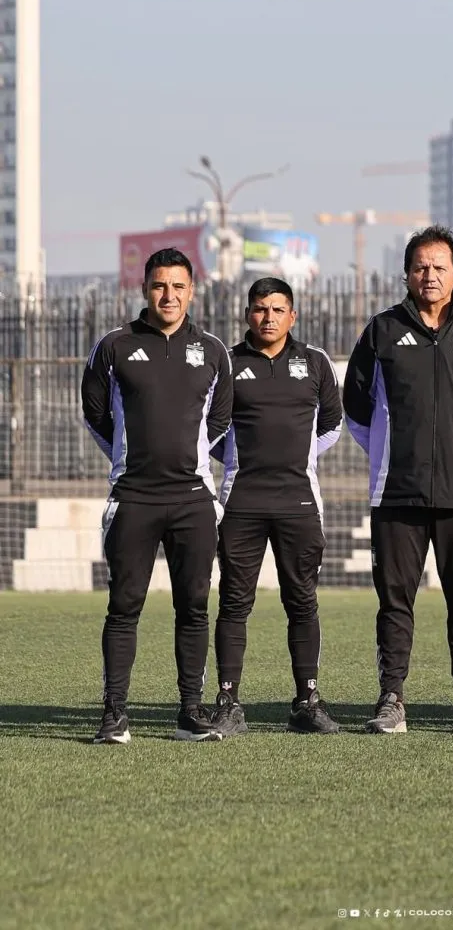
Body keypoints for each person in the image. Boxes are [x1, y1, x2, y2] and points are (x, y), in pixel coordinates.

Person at [343, 225, 453, 734]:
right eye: (421, 267)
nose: (430, 275)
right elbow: (355, 408)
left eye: (440, 267)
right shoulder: (381, 331)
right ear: (407, 274)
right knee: (395, 602)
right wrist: (388, 457)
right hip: (396, 494)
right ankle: (392, 699)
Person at [81, 248, 233, 744]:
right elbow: (97, 414)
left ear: (192, 290)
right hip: (133, 497)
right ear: (144, 289)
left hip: (193, 499)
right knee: (124, 605)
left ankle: (190, 711)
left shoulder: (212, 351)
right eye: (159, 285)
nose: (168, 295)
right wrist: (131, 459)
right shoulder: (115, 346)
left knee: (193, 606)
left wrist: (183, 456)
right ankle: (115, 714)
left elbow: (219, 421)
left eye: (178, 286)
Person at [210, 277, 343, 736]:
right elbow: (208, 428)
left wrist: (295, 460)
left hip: (299, 501)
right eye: (260, 309)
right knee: (234, 601)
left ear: (293, 316)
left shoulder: (315, 363)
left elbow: (331, 425)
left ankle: (307, 701)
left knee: (302, 602)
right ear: (248, 314)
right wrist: (235, 462)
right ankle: (228, 702)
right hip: (240, 502)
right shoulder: (225, 362)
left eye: (277, 310)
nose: (269, 317)